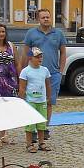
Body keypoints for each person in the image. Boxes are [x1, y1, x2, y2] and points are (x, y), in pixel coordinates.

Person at [22, 8, 66, 143]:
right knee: (32, 102)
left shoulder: (58, 33)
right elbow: (26, 53)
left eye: (48, 17)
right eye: (43, 17)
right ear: (38, 19)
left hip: (52, 73)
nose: (46, 19)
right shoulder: (31, 33)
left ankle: (45, 128)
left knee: (48, 102)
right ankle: (33, 130)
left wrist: (61, 71)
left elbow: (63, 53)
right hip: (34, 74)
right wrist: (23, 70)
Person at [18, 47, 52, 153]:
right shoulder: (25, 71)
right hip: (30, 101)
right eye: (37, 57)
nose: (39, 59)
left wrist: (49, 97)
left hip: (41, 101)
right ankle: (29, 144)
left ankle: (41, 143)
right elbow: (22, 87)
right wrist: (22, 100)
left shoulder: (45, 70)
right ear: (30, 58)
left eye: (41, 56)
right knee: (30, 124)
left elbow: (47, 84)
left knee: (41, 123)